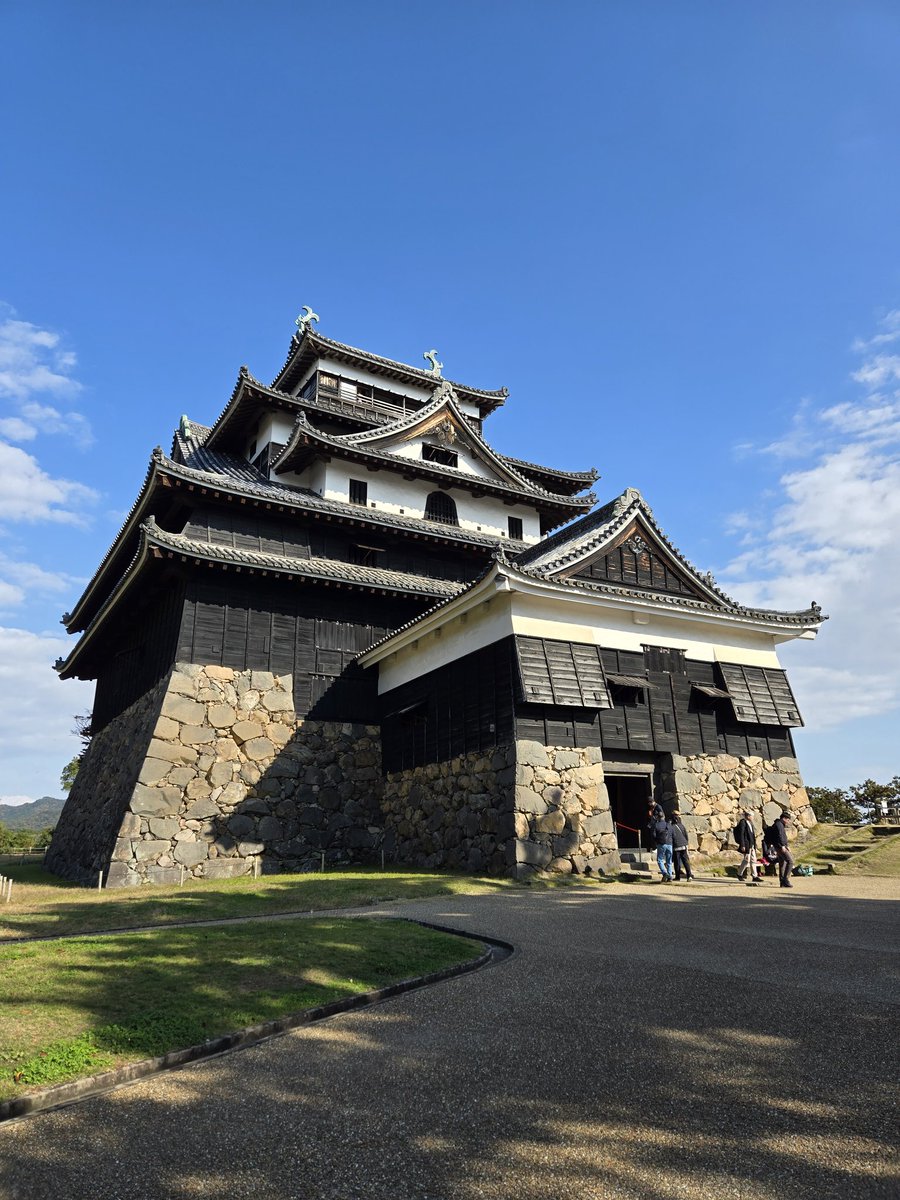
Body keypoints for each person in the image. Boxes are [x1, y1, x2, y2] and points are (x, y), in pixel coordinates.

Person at [734, 809, 762, 885]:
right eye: (752, 816)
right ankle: (739, 874)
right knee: (747, 859)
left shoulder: (750, 823)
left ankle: (754, 876)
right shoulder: (743, 822)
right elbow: (742, 834)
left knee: (753, 860)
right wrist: (742, 845)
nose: (753, 817)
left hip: (751, 844)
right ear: (748, 816)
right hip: (746, 844)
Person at [770, 810, 795, 888]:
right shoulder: (779, 825)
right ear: (784, 818)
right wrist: (782, 846)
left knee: (782, 863)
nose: (788, 821)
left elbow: (784, 837)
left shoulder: (779, 824)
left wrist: (786, 845)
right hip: (780, 846)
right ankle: (785, 879)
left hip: (779, 846)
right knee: (790, 861)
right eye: (787, 819)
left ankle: (782, 881)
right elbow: (780, 836)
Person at [650, 803, 674, 882]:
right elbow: (672, 833)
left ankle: (664, 873)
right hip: (669, 844)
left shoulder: (656, 825)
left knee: (660, 860)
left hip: (661, 844)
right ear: (664, 817)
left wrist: (656, 842)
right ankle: (670, 875)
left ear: (658, 817)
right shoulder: (668, 825)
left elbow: (653, 835)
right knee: (669, 861)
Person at [670, 808, 694, 881]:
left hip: (676, 846)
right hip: (683, 845)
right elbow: (685, 835)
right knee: (685, 861)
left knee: (677, 862)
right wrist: (686, 843)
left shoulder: (671, 826)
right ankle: (689, 875)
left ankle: (678, 877)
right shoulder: (681, 826)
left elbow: (671, 837)